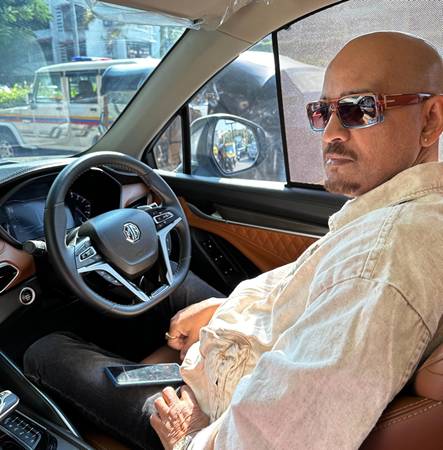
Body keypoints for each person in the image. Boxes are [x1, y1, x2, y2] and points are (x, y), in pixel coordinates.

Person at [24, 31, 443, 450]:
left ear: (430, 120)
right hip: (242, 351)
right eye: (322, 111)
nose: (330, 132)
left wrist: (185, 437)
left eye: (359, 109)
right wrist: (225, 309)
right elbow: (306, 290)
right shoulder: (401, 213)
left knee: (43, 351)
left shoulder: (382, 262)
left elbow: (274, 438)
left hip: (210, 412)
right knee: (174, 287)